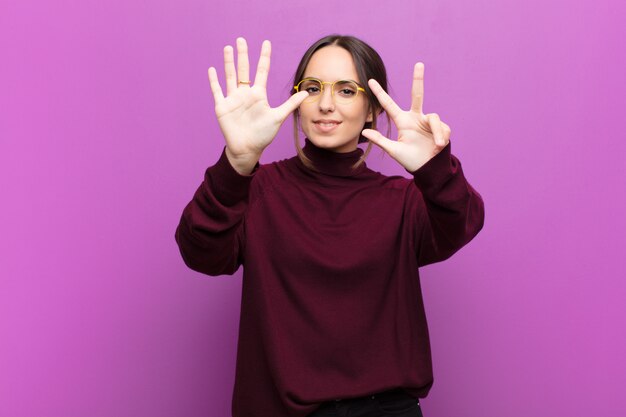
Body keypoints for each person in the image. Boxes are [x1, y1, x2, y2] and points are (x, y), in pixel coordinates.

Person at [175, 35, 485, 417]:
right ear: (296, 102)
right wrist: (236, 164)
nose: (325, 104)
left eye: (346, 90)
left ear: (372, 109)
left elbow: (463, 222)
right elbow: (199, 253)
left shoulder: (403, 201)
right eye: (312, 88)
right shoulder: (257, 190)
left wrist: (435, 169)